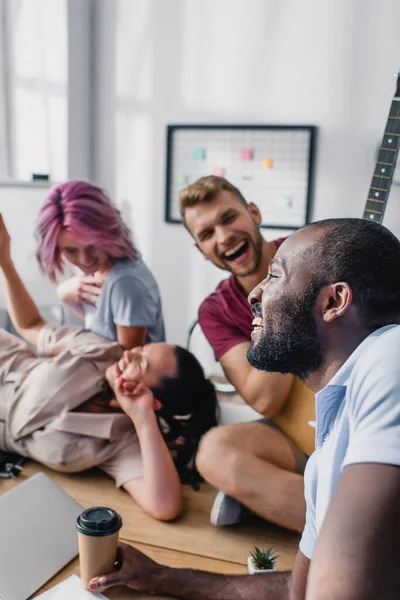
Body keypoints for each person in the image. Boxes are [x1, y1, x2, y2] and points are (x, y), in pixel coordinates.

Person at [90, 217, 400, 599]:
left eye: (275, 276)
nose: (254, 294)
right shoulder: (327, 451)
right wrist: (162, 577)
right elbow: (295, 591)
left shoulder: (390, 356)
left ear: (333, 302)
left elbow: (336, 589)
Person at [0, 215, 217, 521]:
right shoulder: (101, 350)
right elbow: (31, 325)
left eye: (140, 363)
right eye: (140, 349)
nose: (127, 354)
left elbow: (165, 506)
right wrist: (5, 261)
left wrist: (142, 419)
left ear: (153, 400)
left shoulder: (123, 439)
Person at [178, 175, 315, 532]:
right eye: (206, 234)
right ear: (200, 250)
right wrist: (286, 305)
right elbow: (264, 399)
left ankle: (264, 500)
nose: (223, 237)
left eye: (228, 218)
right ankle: (344, 529)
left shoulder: (312, 252)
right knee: (213, 452)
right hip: (302, 433)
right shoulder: (215, 310)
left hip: (370, 410)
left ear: (253, 212)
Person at [35, 180, 165, 349]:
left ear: (107, 233)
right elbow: (101, 328)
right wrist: (64, 294)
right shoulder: (96, 267)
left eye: (92, 246)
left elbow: (126, 365)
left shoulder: (124, 285)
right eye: (71, 250)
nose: (84, 260)